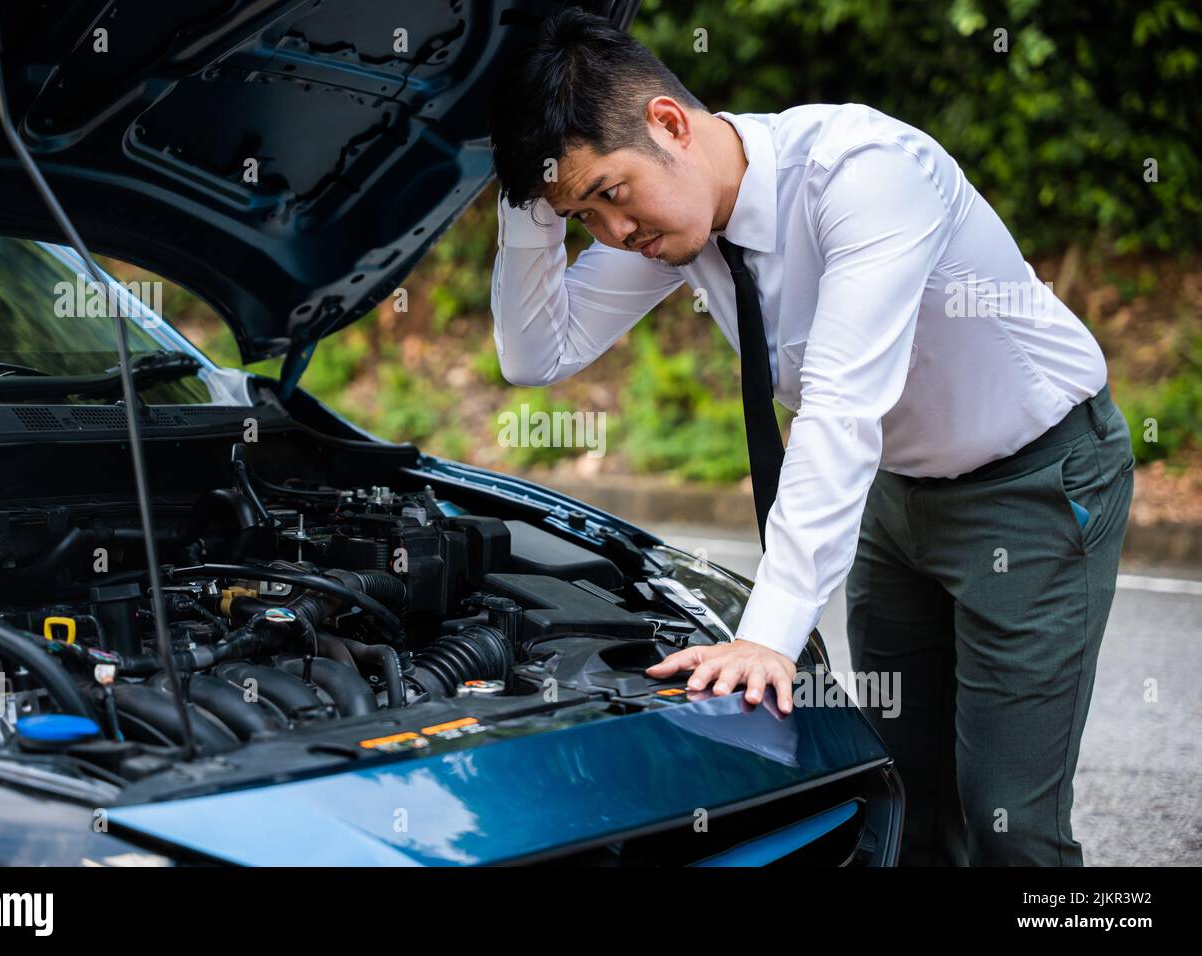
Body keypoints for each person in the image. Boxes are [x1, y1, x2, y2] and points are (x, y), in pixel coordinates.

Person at [485, 8, 1134, 866]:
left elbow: (839, 408)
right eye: (582, 217)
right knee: (903, 790)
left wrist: (769, 633)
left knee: (1009, 822)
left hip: (1038, 487)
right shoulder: (671, 219)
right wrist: (530, 199)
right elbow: (538, 353)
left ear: (669, 124)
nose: (611, 234)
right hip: (897, 497)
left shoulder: (863, 174)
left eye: (607, 195)